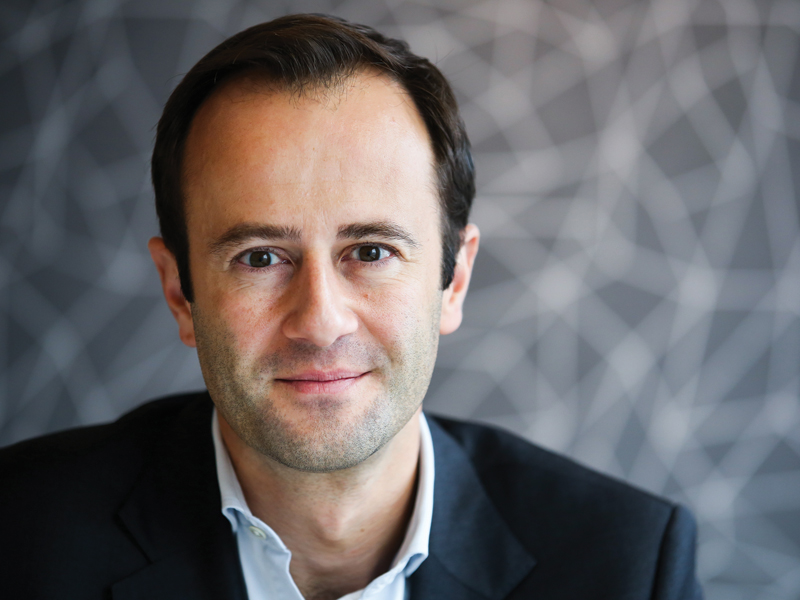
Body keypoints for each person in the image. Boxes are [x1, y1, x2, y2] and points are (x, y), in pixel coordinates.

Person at [0, 14, 702, 600]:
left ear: (454, 279)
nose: (320, 322)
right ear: (180, 292)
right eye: (259, 258)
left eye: (370, 251)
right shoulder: (19, 536)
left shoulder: (626, 566)